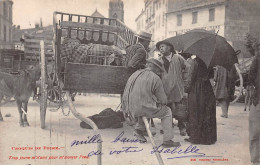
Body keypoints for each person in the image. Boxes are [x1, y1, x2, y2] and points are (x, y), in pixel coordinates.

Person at [121, 58, 181, 147]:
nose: (159, 73)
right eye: (159, 71)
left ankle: (139, 130)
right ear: (156, 68)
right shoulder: (155, 78)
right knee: (167, 111)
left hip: (129, 108)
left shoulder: (135, 74)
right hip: (141, 108)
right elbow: (163, 100)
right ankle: (168, 140)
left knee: (146, 105)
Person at [156, 40, 190, 136]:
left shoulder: (178, 57)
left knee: (180, 107)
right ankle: (167, 126)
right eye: (160, 47)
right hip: (165, 88)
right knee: (167, 107)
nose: (161, 48)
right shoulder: (159, 61)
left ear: (169, 48)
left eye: (162, 46)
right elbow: (157, 73)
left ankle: (182, 127)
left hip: (178, 87)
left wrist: (185, 79)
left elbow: (188, 68)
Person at [185, 56, 217, 145]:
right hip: (207, 89)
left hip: (197, 88)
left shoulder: (195, 62)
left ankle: (195, 138)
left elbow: (191, 77)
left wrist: (187, 89)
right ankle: (207, 138)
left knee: (195, 111)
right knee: (206, 111)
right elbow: (211, 77)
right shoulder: (210, 62)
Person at [248, 45, 260, 165]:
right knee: (255, 131)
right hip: (258, 99)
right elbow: (251, 76)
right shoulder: (258, 58)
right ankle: (256, 160)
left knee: (255, 132)